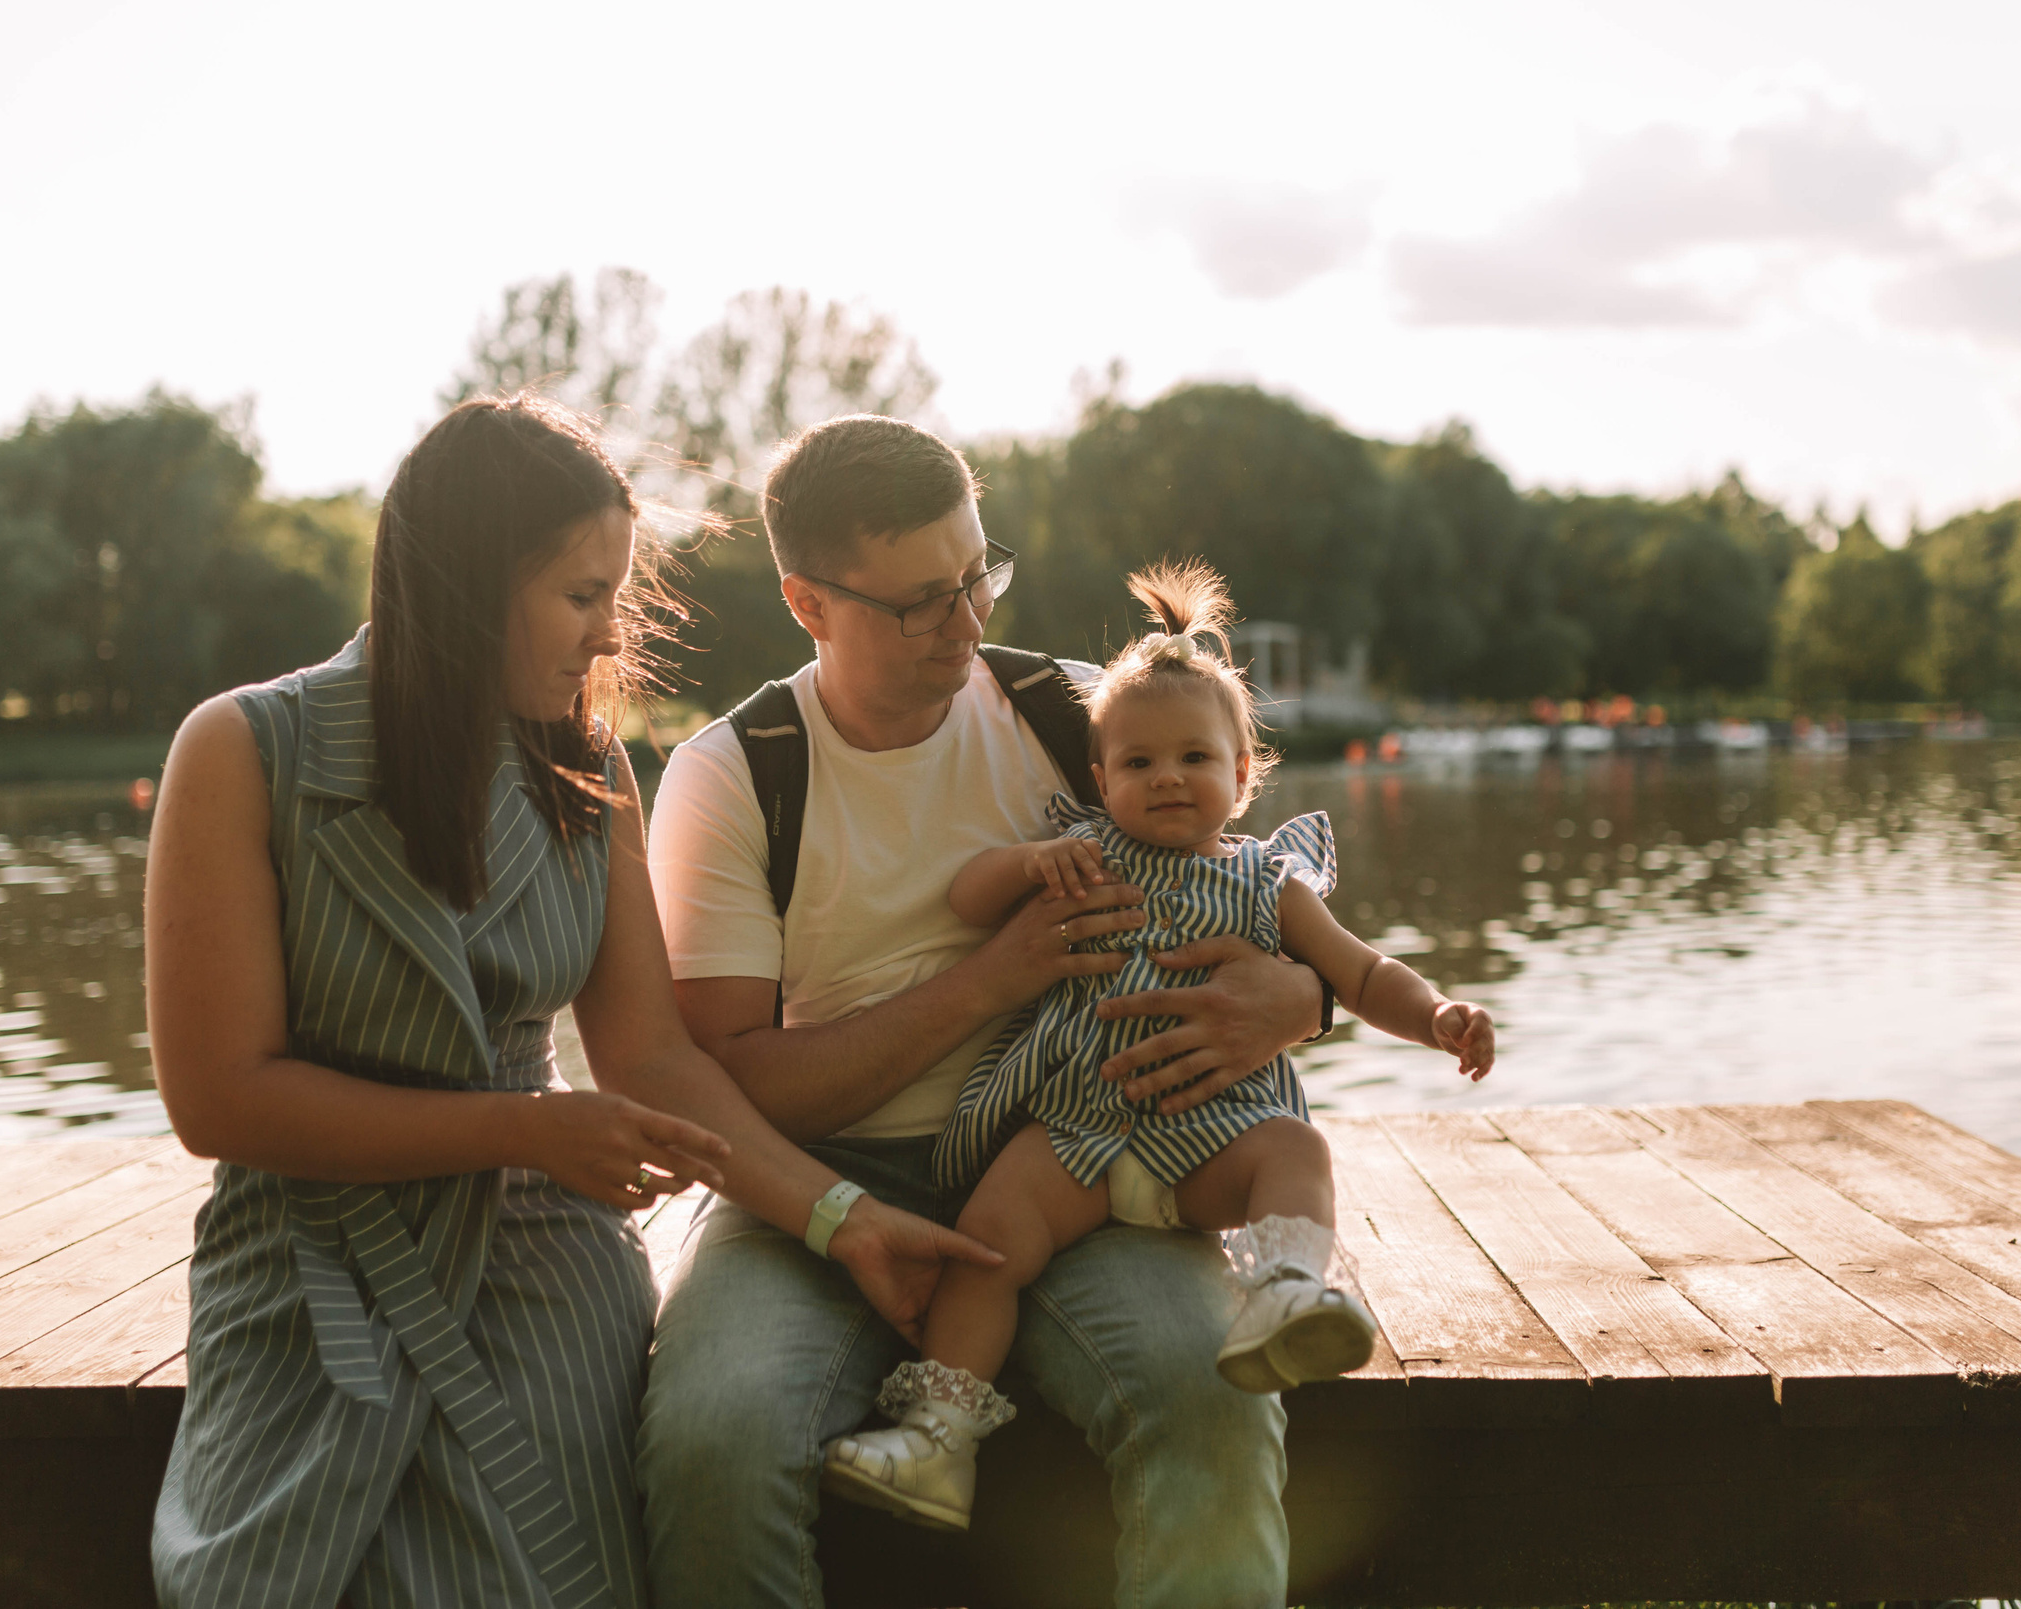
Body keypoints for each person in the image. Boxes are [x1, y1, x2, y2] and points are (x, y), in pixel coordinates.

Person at [143, 396, 997, 1609]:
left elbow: (650, 1056)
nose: (608, 640)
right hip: (308, 1263)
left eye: (617, 596)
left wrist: (840, 1218)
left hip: (536, 1267)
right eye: (582, 596)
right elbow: (218, 1098)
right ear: (465, 583)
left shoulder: (584, 769)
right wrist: (529, 1130)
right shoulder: (242, 749)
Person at [638, 414, 1335, 1608]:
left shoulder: (1073, 718)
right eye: (919, 603)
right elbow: (733, 1084)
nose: (966, 626)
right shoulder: (731, 775)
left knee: (1213, 1400)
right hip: (813, 1192)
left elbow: (1260, 886)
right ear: (808, 604)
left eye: (976, 580)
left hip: (1080, 1165)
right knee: (713, 1440)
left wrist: (1306, 998)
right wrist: (996, 975)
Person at [822, 561, 1496, 1531]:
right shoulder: (1083, 851)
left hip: (1212, 1140)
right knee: (983, 1246)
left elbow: (1359, 974)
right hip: (1076, 1132)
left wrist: (1435, 1016)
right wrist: (1025, 862)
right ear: (1100, 780)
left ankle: (1283, 1291)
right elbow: (967, 898)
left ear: (1243, 772)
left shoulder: (1273, 883)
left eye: (1194, 758)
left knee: (1297, 1150)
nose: (1167, 777)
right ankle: (937, 1438)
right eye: (1138, 764)